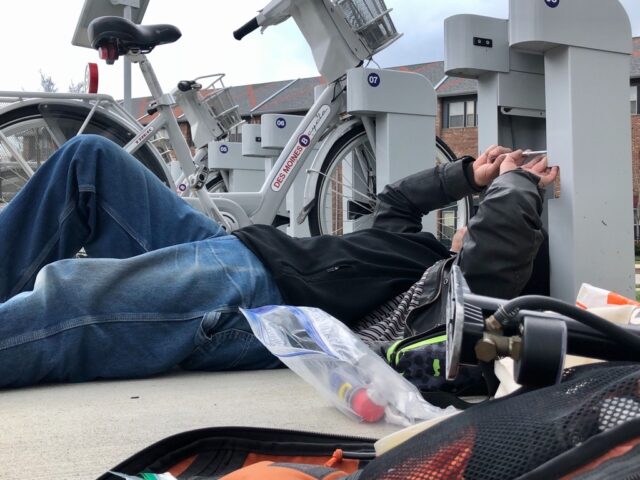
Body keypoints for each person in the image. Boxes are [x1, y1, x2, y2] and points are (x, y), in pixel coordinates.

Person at [0, 135, 557, 389]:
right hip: (246, 248)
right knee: (89, 161)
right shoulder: (419, 253)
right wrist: (469, 175)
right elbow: (396, 203)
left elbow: (503, 243)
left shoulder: (451, 294)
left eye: (476, 223)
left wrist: (519, 181)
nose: (469, 222)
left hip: (265, 299)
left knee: (72, 300)